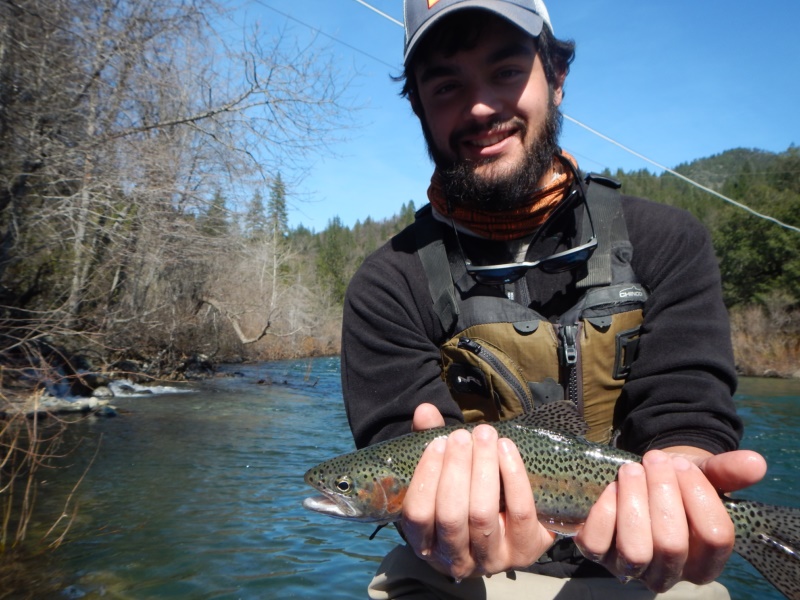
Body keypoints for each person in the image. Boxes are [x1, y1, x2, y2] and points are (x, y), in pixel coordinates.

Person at [340, 1, 768, 598]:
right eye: (445, 85)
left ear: (557, 79)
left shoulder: (666, 239)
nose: (481, 106)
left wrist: (686, 484)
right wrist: (434, 530)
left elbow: (685, 409)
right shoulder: (388, 281)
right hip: (458, 573)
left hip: (642, 564)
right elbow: (394, 444)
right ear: (418, 108)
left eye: (506, 71)